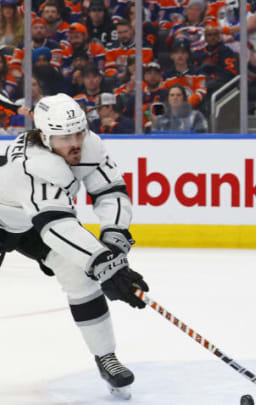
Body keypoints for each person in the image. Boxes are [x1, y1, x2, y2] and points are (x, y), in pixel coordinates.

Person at [0, 93, 149, 399]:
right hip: (9, 217)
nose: (75, 142)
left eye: (78, 132)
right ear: (45, 137)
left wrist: (114, 239)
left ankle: (106, 357)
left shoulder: (88, 144)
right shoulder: (34, 164)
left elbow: (111, 191)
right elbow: (56, 227)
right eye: (65, 136)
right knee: (87, 264)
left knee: (80, 277)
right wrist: (102, 262)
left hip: (33, 221)